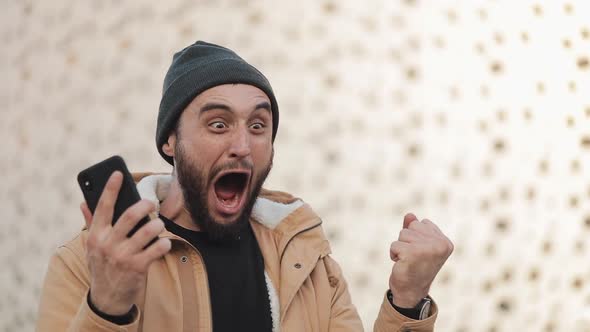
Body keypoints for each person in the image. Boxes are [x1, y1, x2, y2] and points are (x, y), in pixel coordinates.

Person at [36, 41, 453, 332]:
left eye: (258, 126)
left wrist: (407, 301)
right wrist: (107, 306)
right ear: (170, 141)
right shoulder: (87, 262)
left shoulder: (306, 259)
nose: (242, 146)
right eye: (218, 124)